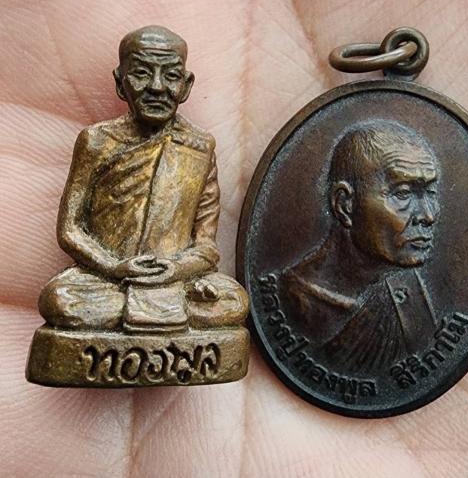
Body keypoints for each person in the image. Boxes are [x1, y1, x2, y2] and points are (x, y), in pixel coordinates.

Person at [38, 25, 248, 332]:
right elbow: (70, 230)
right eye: (141, 74)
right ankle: (152, 313)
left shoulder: (199, 147)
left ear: (187, 85)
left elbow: (206, 246)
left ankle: (147, 311)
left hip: (173, 281)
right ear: (120, 82)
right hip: (106, 280)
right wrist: (114, 266)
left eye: (171, 76)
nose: (157, 87)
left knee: (234, 300)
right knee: (60, 299)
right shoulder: (97, 141)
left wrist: (177, 269)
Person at [281, 120, 440, 372]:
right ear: (345, 205)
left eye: (429, 193)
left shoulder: (408, 292)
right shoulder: (295, 300)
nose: (427, 215)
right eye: (403, 194)